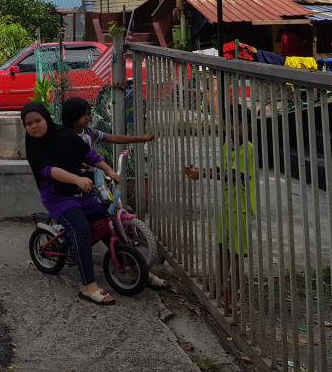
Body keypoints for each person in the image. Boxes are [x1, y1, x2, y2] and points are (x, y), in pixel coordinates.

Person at [22, 101, 121, 306]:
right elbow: (51, 171)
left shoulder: (64, 134)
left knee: (105, 219)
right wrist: (76, 179)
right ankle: (88, 285)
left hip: (79, 190)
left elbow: (89, 154)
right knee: (80, 228)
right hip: (58, 198)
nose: (34, 126)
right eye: (28, 123)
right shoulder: (34, 148)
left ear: (46, 119)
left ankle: (130, 264)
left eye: (38, 120)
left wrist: (109, 170)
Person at [61, 96, 166, 289]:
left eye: (89, 114)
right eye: (83, 115)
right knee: (84, 222)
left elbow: (114, 138)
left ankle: (136, 267)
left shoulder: (89, 133)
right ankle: (75, 248)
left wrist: (140, 139)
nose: (88, 118)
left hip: (93, 182)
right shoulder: (64, 136)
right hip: (72, 185)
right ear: (72, 117)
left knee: (106, 219)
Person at [182, 104, 255, 317]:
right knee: (223, 248)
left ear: (248, 127)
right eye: (228, 123)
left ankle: (236, 293)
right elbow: (220, 170)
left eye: (238, 124)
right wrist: (199, 171)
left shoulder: (246, 149)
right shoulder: (227, 146)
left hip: (240, 208)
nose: (232, 128)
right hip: (226, 206)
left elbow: (237, 176)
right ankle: (221, 290)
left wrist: (203, 173)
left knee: (237, 254)